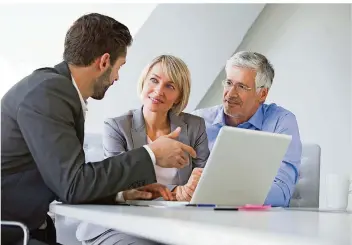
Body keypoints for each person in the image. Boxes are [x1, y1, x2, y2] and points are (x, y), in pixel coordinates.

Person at [1, 13, 196, 245]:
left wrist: (122, 193)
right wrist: (152, 153)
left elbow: (66, 182)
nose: (116, 77)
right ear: (104, 62)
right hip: (12, 233)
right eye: (119, 67)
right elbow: (73, 185)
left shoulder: (53, 88)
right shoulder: (50, 93)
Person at [76, 54, 210, 245]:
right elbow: (119, 183)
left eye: (170, 86)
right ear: (144, 81)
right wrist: (177, 192)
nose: (158, 91)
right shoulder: (117, 126)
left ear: (179, 96)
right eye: (154, 80)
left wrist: (200, 183)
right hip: (121, 224)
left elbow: (204, 176)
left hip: (176, 226)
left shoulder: (194, 126)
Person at [193, 51, 302, 207]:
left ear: (262, 94)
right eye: (229, 83)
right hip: (201, 221)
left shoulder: (281, 122)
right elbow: (175, 183)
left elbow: (281, 193)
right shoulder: (199, 121)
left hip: (257, 225)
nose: (230, 94)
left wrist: (220, 189)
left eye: (242, 86)